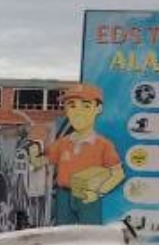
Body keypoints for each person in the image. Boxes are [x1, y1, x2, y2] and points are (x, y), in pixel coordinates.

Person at [30, 84, 124, 226]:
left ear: (98, 109)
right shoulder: (62, 143)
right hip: (63, 196)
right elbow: (40, 162)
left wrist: (99, 192)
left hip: (87, 196)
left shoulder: (103, 145)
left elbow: (118, 174)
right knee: (63, 233)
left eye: (86, 106)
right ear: (66, 110)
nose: (78, 112)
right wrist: (33, 150)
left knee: (89, 233)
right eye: (72, 106)